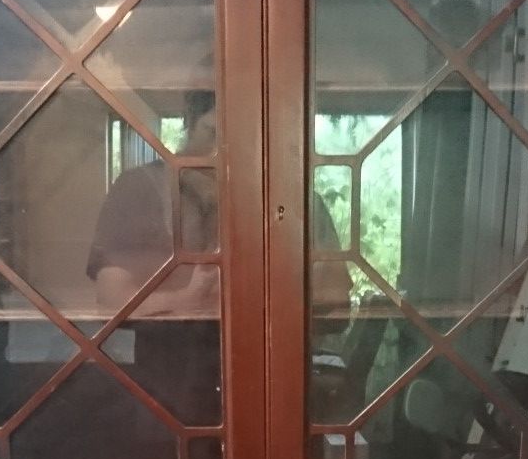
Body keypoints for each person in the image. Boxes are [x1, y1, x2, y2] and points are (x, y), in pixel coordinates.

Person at [86, 90, 351, 325]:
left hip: (274, 375)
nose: (224, 153)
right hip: (166, 376)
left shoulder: (297, 202)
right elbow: (111, 300)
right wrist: (186, 299)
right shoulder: (138, 190)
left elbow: (339, 306)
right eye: (212, 133)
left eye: (244, 137)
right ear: (189, 121)